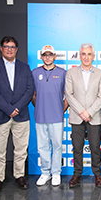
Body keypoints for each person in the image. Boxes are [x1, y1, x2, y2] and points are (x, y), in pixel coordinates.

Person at [0, 36, 34, 195]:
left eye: (12, 47)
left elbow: (29, 90)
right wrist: (8, 109)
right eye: (6, 46)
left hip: (21, 115)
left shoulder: (24, 67)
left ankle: (19, 175)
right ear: (1, 48)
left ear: (16, 49)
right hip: (0, 116)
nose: (9, 49)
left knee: (21, 150)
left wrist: (17, 108)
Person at [65, 43, 101, 187]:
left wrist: (89, 112)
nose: (86, 57)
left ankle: (97, 174)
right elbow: (69, 95)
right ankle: (77, 173)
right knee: (77, 147)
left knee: (95, 147)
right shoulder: (71, 73)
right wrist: (82, 112)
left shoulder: (100, 74)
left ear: (93, 56)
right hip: (77, 116)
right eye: (83, 54)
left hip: (94, 117)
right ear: (80, 55)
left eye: (89, 54)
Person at [31, 45, 68, 186]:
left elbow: (68, 95)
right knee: (42, 146)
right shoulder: (34, 73)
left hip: (57, 117)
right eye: (45, 55)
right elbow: (33, 94)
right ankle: (45, 172)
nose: (47, 57)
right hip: (40, 117)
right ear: (41, 56)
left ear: (54, 56)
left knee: (57, 145)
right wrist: (39, 106)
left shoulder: (62, 73)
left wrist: (60, 109)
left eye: (50, 54)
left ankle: (56, 173)